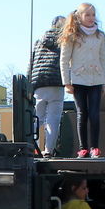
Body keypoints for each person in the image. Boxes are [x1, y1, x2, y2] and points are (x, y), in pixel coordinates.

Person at [59, 3, 105, 158]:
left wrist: (104, 82)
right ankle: (83, 148)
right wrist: (66, 82)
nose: (91, 18)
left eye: (93, 14)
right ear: (79, 16)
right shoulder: (72, 35)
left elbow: (103, 59)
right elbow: (64, 60)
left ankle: (95, 147)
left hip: (96, 79)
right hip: (78, 79)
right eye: (87, 15)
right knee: (82, 113)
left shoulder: (100, 36)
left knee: (94, 113)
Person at [29, 16, 67, 156]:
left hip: (39, 81)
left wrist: (30, 84)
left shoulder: (39, 40)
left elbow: (31, 62)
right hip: (57, 82)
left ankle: (31, 147)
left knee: (36, 118)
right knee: (53, 119)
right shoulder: (64, 41)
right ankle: (48, 150)